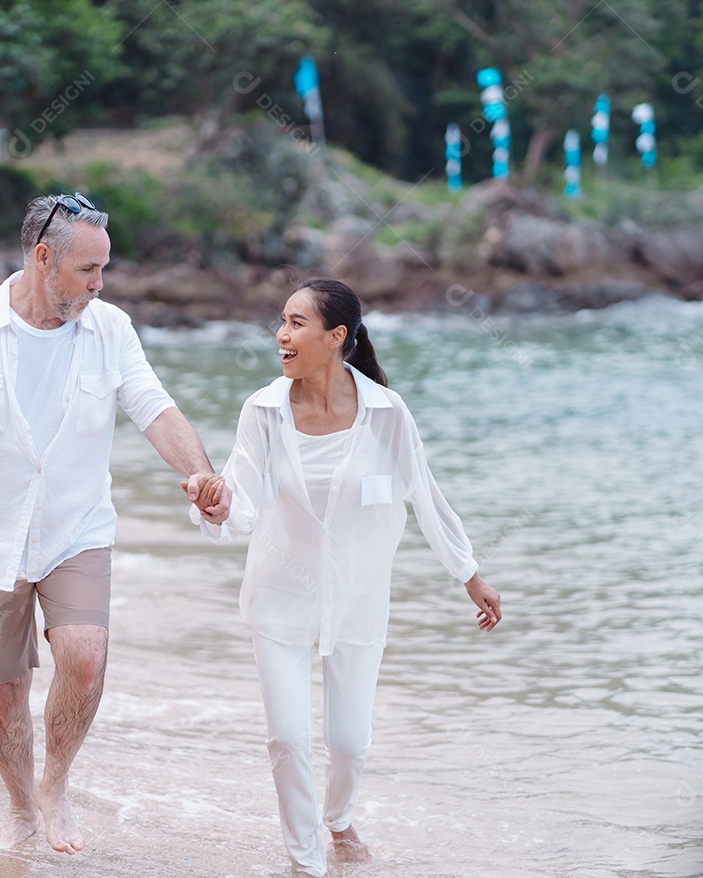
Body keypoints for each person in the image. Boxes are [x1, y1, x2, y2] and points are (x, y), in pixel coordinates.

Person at [0, 192, 227, 855]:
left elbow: (155, 407)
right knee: (3, 692)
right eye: (88, 270)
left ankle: (56, 785)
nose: (100, 283)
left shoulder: (109, 328)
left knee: (84, 658)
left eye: (103, 269)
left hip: (75, 528)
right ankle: (21, 808)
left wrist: (201, 475)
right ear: (42, 257)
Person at [187, 277, 501, 877]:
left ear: (336, 338)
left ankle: (338, 820)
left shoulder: (386, 413)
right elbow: (241, 498)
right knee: (286, 737)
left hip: (357, 599)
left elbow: (425, 497)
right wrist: (215, 504)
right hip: (280, 593)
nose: (281, 334)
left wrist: (469, 575)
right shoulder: (263, 410)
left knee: (350, 743)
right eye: (281, 320)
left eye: (297, 323)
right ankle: (305, 862)